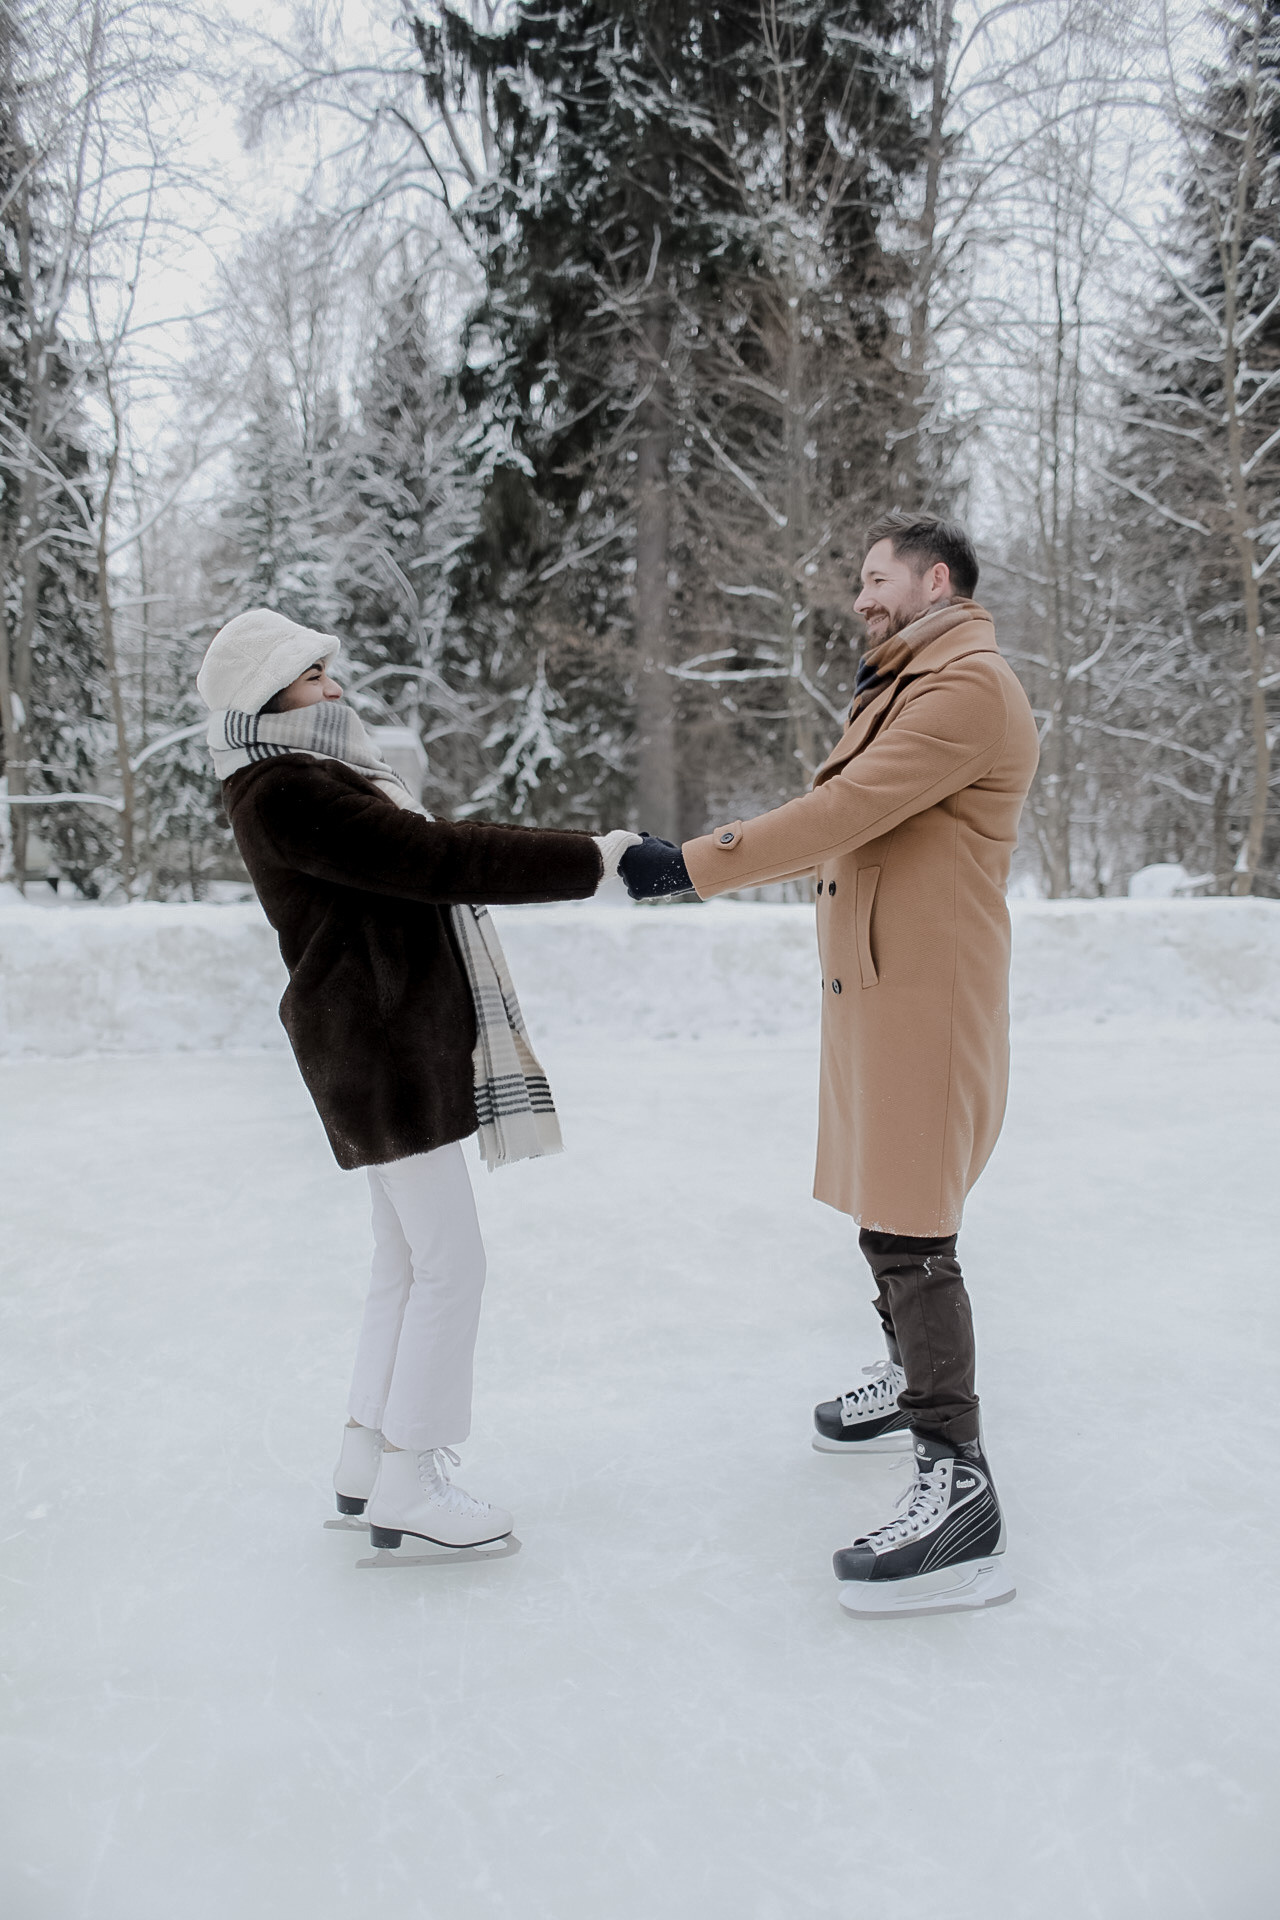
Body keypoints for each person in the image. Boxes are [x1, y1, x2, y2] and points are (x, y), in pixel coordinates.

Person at [620, 511, 1039, 1617]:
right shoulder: (907, 679)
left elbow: (846, 808)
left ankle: (958, 1491)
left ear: (932, 579)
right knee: (880, 1207)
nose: (857, 598)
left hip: (927, 997)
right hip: (881, 985)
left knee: (914, 1231)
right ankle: (909, 1382)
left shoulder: (962, 688)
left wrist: (689, 865)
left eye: (872, 579)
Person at [196, 609, 638, 1553]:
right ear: (267, 696)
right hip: (379, 1049)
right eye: (316, 678)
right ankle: (411, 1475)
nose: (337, 689)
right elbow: (436, 859)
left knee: (404, 1262)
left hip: (388, 1044)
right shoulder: (285, 790)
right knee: (450, 1265)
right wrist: (589, 858)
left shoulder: (312, 779)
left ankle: (369, 1457)